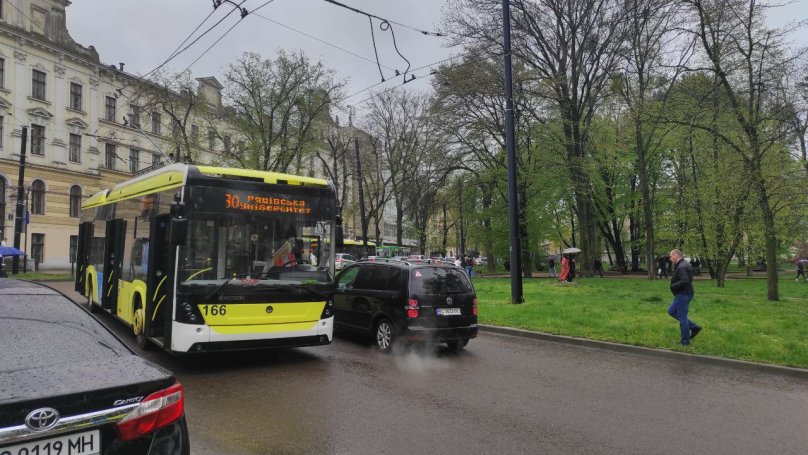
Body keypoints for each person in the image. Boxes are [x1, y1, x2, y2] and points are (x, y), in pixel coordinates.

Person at [667, 249, 701, 346]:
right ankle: (694, 327)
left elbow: (685, 281)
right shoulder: (684, 264)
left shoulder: (682, 266)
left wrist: (673, 286)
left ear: (676, 255)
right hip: (682, 294)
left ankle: (685, 342)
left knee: (683, 318)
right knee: (671, 311)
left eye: (671, 256)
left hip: (683, 295)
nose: (670, 258)